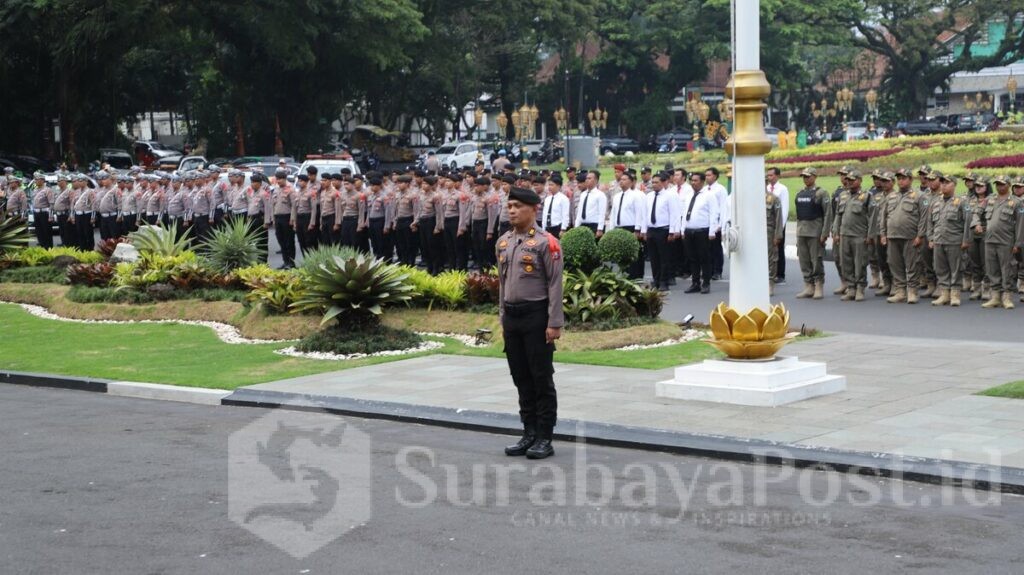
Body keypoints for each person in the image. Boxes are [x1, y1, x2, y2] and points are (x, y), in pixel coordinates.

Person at [496, 186, 563, 460]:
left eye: (517, 206)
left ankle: (545, 436)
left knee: (540, 377)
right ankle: (529, 432)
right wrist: (502, 317)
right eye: (509, 206)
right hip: (512, 317)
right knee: (520, 377)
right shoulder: (503, 242)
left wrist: (554, 322)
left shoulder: (547, 242)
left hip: (536, 316)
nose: (511, 211)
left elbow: (555, 284)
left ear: (534, 209)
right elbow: (502, 284)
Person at [880, 169, 927, 304]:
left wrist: (920, 235)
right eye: (899, 178)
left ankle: (912, 291)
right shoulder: (891, 196)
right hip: (892, 236)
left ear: (910, 180)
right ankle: (900, 291)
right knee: (894, 264)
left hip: (910, 237)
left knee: (912, 265)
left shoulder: (919, 196)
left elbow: (924, 217)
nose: (901, 181)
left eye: (904, 178)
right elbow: (883, 216)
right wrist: (883, 234)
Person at [978, 174, 1024, 309]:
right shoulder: (990, 199)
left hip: (1006, 241)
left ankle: (1007, 297)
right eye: (997, 184)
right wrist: (976, 223)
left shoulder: (1016, 202)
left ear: (1009, 185)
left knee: (1007, 269)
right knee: (992, 269)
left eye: (1002, 184)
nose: (999, 186)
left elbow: (1021, 224)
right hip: (989, 240)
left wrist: (1018, 243)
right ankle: (995, 297)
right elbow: (977, 211)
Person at [926, 174, 971, 307]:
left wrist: (965, 240)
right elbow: (930, 222)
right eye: (942, 183)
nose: (944, 185)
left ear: (954, 185)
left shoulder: (962, 202)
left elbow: (967, 222)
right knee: (940, 268)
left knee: (956, 269)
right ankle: (944, 294)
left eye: (947, 183)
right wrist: (930, 238)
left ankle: (955, 295)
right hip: (939, 240)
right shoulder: (935, 202)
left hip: (954, 241)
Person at [832, 170, 875, 301]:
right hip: (844, 235)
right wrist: (836, 231)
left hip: (859, 235)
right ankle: (851, 288)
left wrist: (870, 235)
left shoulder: (867, 196)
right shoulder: (843, 196)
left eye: (853, 180)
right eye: (848, 180)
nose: (849, 182)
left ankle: (860, 288)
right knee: (846, 263)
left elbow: (873, 217)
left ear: (860, 180)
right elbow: (838, 215)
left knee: (860, 263)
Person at [793, 168, 833, 299]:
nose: (805, 179)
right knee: (804, 260)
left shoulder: (821, 193)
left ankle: (818, 285)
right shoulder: (800, 193)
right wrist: (797, 233)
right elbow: (799, 215)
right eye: (804, 176)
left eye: (808, 176)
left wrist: (825, 233)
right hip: (802, 232)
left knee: (816, 260)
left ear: (815, 177)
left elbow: (828, 214)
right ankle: (808, 286)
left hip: (815, 232)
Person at [681, 171, 718, 294]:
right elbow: (684, 213)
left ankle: (706, 283)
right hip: (689, 230)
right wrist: (683, 229)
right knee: (692, 258)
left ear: (702, 182)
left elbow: (714, 213)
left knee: (704, 258)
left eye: (696, 180)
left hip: (702, 231)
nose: (693, 183)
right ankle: (695, 283)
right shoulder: (688, 195)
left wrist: (712, 231)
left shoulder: (709, 195)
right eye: (691, 180)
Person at [608, 170, 649, 279]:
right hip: (619, 228)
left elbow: (639, 213)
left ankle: (636, 277)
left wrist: (637, 230)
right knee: (623, 255)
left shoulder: (636, 196)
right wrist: (611, 229)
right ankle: (625, 276)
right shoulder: (617, 196)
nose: (621, 181)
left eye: (624, 179)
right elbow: (613, 213)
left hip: (631, 228)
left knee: (634, 255)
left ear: (631, 182)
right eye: (621, 179)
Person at [644, 172, 681, 290]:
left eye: (657, 182)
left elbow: (674, 214)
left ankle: (664, 281)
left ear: (663, 183)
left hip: (663, 230)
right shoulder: (649, 196)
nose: (654, 184)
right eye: (653, 182)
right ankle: (656, 280)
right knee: (654, 258)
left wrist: (672, 231)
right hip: (651, 230)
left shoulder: (669, 196)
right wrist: (644, 230)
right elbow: (645, 214)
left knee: (664, 258)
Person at [966, 177, 991, 301]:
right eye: (977, 185)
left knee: (986, 262)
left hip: (985, 233)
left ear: (987, 187)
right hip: (972, 234)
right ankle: (976, 288)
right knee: (974, 262)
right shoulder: (969, 200)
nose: (978, 188)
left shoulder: (992, 200)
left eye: (981, 185)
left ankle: (986, 288)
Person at [705, 167, 728, 280]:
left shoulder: (720, 189)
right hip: (706, 223)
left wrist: (720, 225)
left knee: (716, 249)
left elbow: (723, 208)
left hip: (716, 223)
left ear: (715, 176)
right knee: (707, 249)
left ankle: (717, 271)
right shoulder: (705, 189)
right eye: (706, 175)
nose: (706, 177)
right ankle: (709, 270)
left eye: (709, 175)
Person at [270, 169, 296, 268]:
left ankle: (291, 262)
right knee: (281, 240)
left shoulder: (290, 189)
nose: (278, 181)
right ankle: (285, 261)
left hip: (287, 217)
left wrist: (292, 219)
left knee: (289, 241)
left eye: (280, 179)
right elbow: (273, 205)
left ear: (284, 179)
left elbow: (294, 206)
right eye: (277, 179)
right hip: (278, 217)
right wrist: (273, 219)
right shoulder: (276, 189)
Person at [766, 167, 788, 284]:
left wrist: (781, 228)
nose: (769, 177)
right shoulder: (766, 188)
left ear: (777, 176)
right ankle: (770, 272)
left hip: (778, 224)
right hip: (768, 224)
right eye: (768, 175)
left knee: (779, 249)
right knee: (769, 250)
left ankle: (780, 274)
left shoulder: (782, 189)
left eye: (771, 175)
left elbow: (784, 210)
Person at [765, 182, 784, 296]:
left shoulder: (773, 198)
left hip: (769, 231)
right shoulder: (751, 199)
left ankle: (770, 283)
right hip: (754, 232)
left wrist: (777, 235)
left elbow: (778, 219)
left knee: (771, 258)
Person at [574, 171, 607, 236]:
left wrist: (600, 229)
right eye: (586, 178)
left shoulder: (600, 195)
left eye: (589, 178)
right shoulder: (583, 194)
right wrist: (576, 227)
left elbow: (602, 213)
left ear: (596, 180)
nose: (587, 180)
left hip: (594, 225)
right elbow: (579, 212)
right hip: (583, 225)